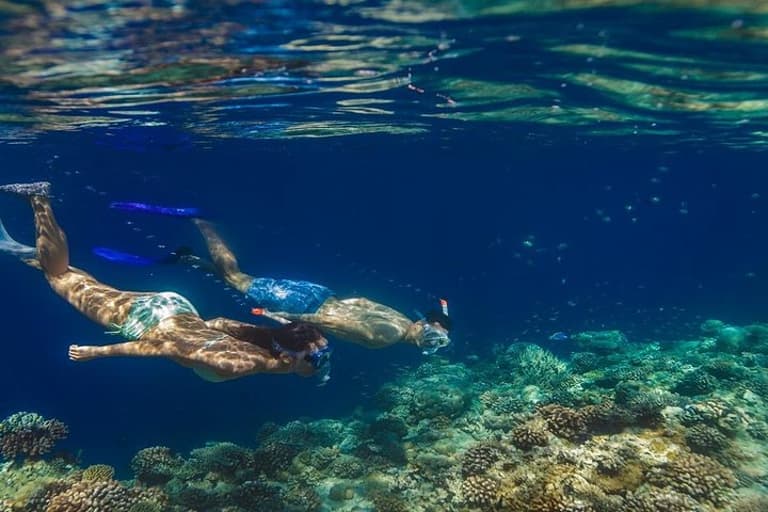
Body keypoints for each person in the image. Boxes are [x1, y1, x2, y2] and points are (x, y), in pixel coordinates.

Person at [0, 182, 332, 383]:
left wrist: (193, 331)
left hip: (176, 308)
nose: (321, 361)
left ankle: (38, 253)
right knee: (57, 276)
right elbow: (164, 346)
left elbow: (216, 323)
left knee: (82, 282)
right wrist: (99, 352)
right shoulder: (241, 363)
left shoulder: (266, 346)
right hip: (149, 322)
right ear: (289, 357)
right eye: (317, 356)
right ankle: (38, 199)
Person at [99, 204, 452, 353]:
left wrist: (320, 307)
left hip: (320, 293)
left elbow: (356, 301)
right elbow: (325, 321)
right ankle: (202, 221)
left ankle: (191, 259)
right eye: (435, 339)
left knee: (239, 279)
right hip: (302, 305)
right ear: (426, 329)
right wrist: (281, 318)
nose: (431, 343)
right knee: (237, 277)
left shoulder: (402, 317)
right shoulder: (386, 337)